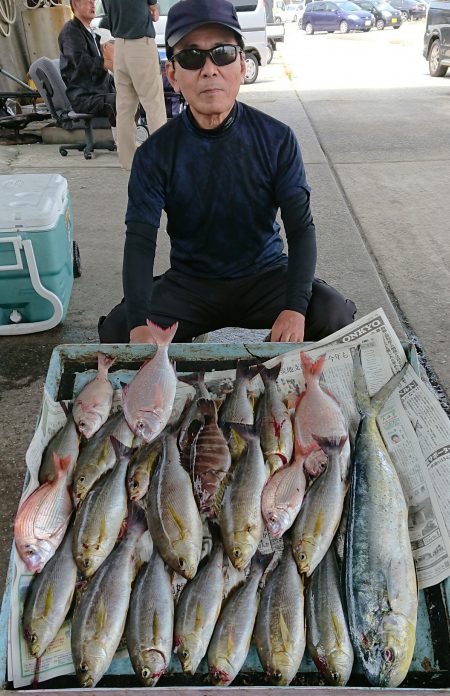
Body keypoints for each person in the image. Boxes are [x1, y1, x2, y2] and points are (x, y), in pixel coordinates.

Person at [98, 0, 357, 345]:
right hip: (191, 285)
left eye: (222, 53)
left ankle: (266, 369)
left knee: (332, 314)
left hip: (264, 277)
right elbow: (140, 242)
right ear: (172, 74)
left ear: (240, 65)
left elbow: (300, 229)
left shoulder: (277, 139)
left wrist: (295, 308)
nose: (209, 69)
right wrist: (138, 323)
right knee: (119, 331)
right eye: (191, 56)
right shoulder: (154, 154)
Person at [101, 0, 167, 170]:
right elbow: (153, 9)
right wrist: (152, 6)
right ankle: (162, 161)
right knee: (154, 104)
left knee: (124, 108)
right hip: (140, 43)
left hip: (120, 46)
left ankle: (127, 160)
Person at [58, 0, 116, 127]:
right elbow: (79, 62)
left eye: (93, 1)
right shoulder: (70, 32)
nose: (92, 4)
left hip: (100, 92)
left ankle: (142, 136)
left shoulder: (92, 32)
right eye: (88, 0)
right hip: (84, 97)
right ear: (75, 4)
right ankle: (124, 143)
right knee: (119, 102)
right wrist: (105, 62)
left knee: (132, 95)